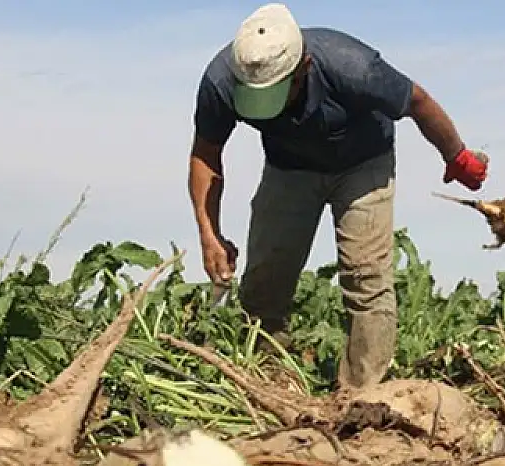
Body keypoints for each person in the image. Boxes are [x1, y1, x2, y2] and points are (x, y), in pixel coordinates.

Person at [187, 3, 488, 390]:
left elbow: (418, 102)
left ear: (304, 68)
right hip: (289, 168)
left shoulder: (353, 67)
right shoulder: (222, 81)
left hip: (364, 164)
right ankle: (266, 379)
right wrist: (208, 233)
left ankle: (362, 396)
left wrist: (457, 155)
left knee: (366, 276)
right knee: (265, 280)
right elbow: (205, 155)